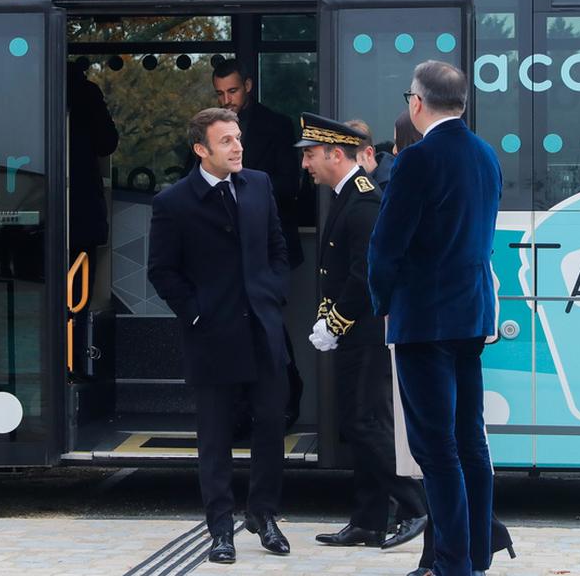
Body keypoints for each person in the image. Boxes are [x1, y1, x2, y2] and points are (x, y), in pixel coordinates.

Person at [367, 61, 502, 576]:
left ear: (416, 103)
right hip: (471, 314)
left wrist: (383, 304)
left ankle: (452, 564)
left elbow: (386, 246)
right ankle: (475, 553)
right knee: (471, 438)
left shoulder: (418, 160)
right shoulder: (486, 155)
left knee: (436, 446)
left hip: (424, 319)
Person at [147, 107, 292, 565]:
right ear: (200, 149)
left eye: (238, 138)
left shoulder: (259, 185)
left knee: (271, 426)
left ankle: (264, 515)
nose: (238, 147)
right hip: (211, 336)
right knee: (215, 438)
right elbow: (162, 272)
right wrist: (195, 315)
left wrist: (272, 295)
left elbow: (277, 248)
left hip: (263, 331)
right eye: (226, 141)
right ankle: (220, 530)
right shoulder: (173, 202)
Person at [296, 113, 428, 551]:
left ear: (336, 154)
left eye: (311, 155)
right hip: (354, 330)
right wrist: (328, 317)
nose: (305, 164)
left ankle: (415, 506)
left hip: (366, 332)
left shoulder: (364, 200)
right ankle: (368, 521)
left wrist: (333, 323)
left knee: (366, 424)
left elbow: (363, 274)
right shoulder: (345, 195)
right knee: (358, 424)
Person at [211, 59, 302, 267]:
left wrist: (238, 189)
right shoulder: (209, 128)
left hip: (268, 241)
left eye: (232, 91)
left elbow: (289, 185)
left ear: (248, 86)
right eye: (219, 93)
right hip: (222, 243)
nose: (226, 99)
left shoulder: (278, 125)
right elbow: (193, 177)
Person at [67, 61, 119, 285]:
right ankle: (77, 319)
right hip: (83, 198)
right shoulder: (87, 93)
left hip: (37, 197)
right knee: (80, 281)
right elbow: (107, 143)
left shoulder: (32, 89)